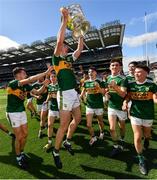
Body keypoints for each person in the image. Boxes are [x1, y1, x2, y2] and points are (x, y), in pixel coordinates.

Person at [52, 7, 84, 169]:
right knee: (64, 125)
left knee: (78, 119)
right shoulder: (56, 59)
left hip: (73, 94)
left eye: (66, 46)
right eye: (65, 46)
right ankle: (56, 151)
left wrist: (80, 33)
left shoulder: (69, 60)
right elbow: (59, 41)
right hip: (64, 94)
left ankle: (67, 141)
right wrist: (65, 20)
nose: (66, 47)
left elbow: (79, 50)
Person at [6, 67, 51, 169]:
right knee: (19, 136)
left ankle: (21, 152)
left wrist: (44, 85)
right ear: (18, 75)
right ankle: (18, 158)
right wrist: (45, 72)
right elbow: (31, 79)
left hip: (21, 111)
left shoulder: (26, 85)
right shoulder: (14, 83)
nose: (25, 74)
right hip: (13, 113)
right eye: (23, 73)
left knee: (25, 134)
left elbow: (38, 92)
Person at [122, 64, 157, 175]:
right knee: (137, 137)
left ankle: (147, 139)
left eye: (139, 72)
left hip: (148, 115)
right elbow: (128, 96)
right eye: (135, 72)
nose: (136, 73)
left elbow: (155, 97)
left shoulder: (151, 84)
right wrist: (125, 102)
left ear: (146, 73)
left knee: (147, 135)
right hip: (135, 113)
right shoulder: (131, 84)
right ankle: (141, 159)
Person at [104, 59, 127, 157]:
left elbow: (122, 94)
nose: (114, 67)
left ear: (120, 67)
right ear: (110, 67)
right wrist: (106, 95)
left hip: (121, 108)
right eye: (112, 65)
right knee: (112, 129)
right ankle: (116, 145)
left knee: (122, 127)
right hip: (111, 106)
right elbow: (106, 90)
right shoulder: (108, 78)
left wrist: (115, 86)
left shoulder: (123, 79)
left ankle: (122, 139)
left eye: (117, 65)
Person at [80, 67, 105, 146]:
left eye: (92, 72)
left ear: (96, 73)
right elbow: (83, 92)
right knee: (88, 124)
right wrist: (81, 97)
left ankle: (102, 132)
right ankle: (93, 137)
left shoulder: (100, 81)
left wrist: (98, 87)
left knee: (100, 121)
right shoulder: (86, 82)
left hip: (98, 105)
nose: (90, 73)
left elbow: (104, 92)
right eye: (89, 72)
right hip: (89, 105)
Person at [43, 73, 59, 151]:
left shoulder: (60, 85)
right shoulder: (49, 86)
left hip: (61, 108)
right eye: (51, 77)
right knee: (49, 125)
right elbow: (49, 95)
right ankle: (49, 142)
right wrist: (46, 101)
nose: (53, 78)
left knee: (63, 125)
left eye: (54, 76)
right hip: (52, 108)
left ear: (57, 77)